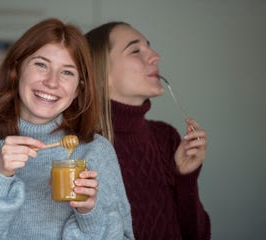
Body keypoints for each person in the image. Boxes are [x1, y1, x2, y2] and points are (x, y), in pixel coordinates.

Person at [0, 18, 134, 240]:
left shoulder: (96, 151)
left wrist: (89, 215)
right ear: (17, 70)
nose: (52, 82)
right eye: (41, 64)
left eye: (67, 72)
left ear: (78, 89)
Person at [86, 22, 211, 239]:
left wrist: (185, 178)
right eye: (135, 51)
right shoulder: (80, 147)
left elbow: (198, 236)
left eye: (149, 47)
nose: (155, 56)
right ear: (100, 76)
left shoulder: (167, 138)